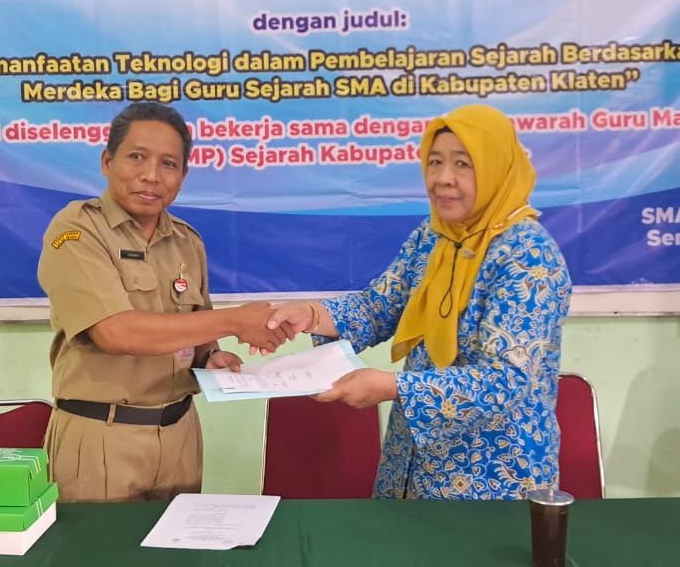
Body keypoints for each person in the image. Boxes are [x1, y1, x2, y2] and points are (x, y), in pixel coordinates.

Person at [267, 103, 572, 500]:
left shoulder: (528, 255)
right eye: (435, 162)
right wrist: (309, 314)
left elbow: (505, 379)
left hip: (495, 479)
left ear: (496, 168)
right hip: (413, 468)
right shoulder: (434, 237)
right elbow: (378, 307)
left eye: (463, 164)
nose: (443, 178)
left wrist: (392, 386)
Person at [38, 102, 286, 502]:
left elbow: (197, 332)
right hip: (103, 437)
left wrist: (211, 358)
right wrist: (237, 320)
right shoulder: (77, 230)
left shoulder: (187, 241)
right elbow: (116, 332)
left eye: (169, 164)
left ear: (183, 177)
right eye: (137, 157)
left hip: (180, 435)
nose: (152, 175)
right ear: (107, 161)